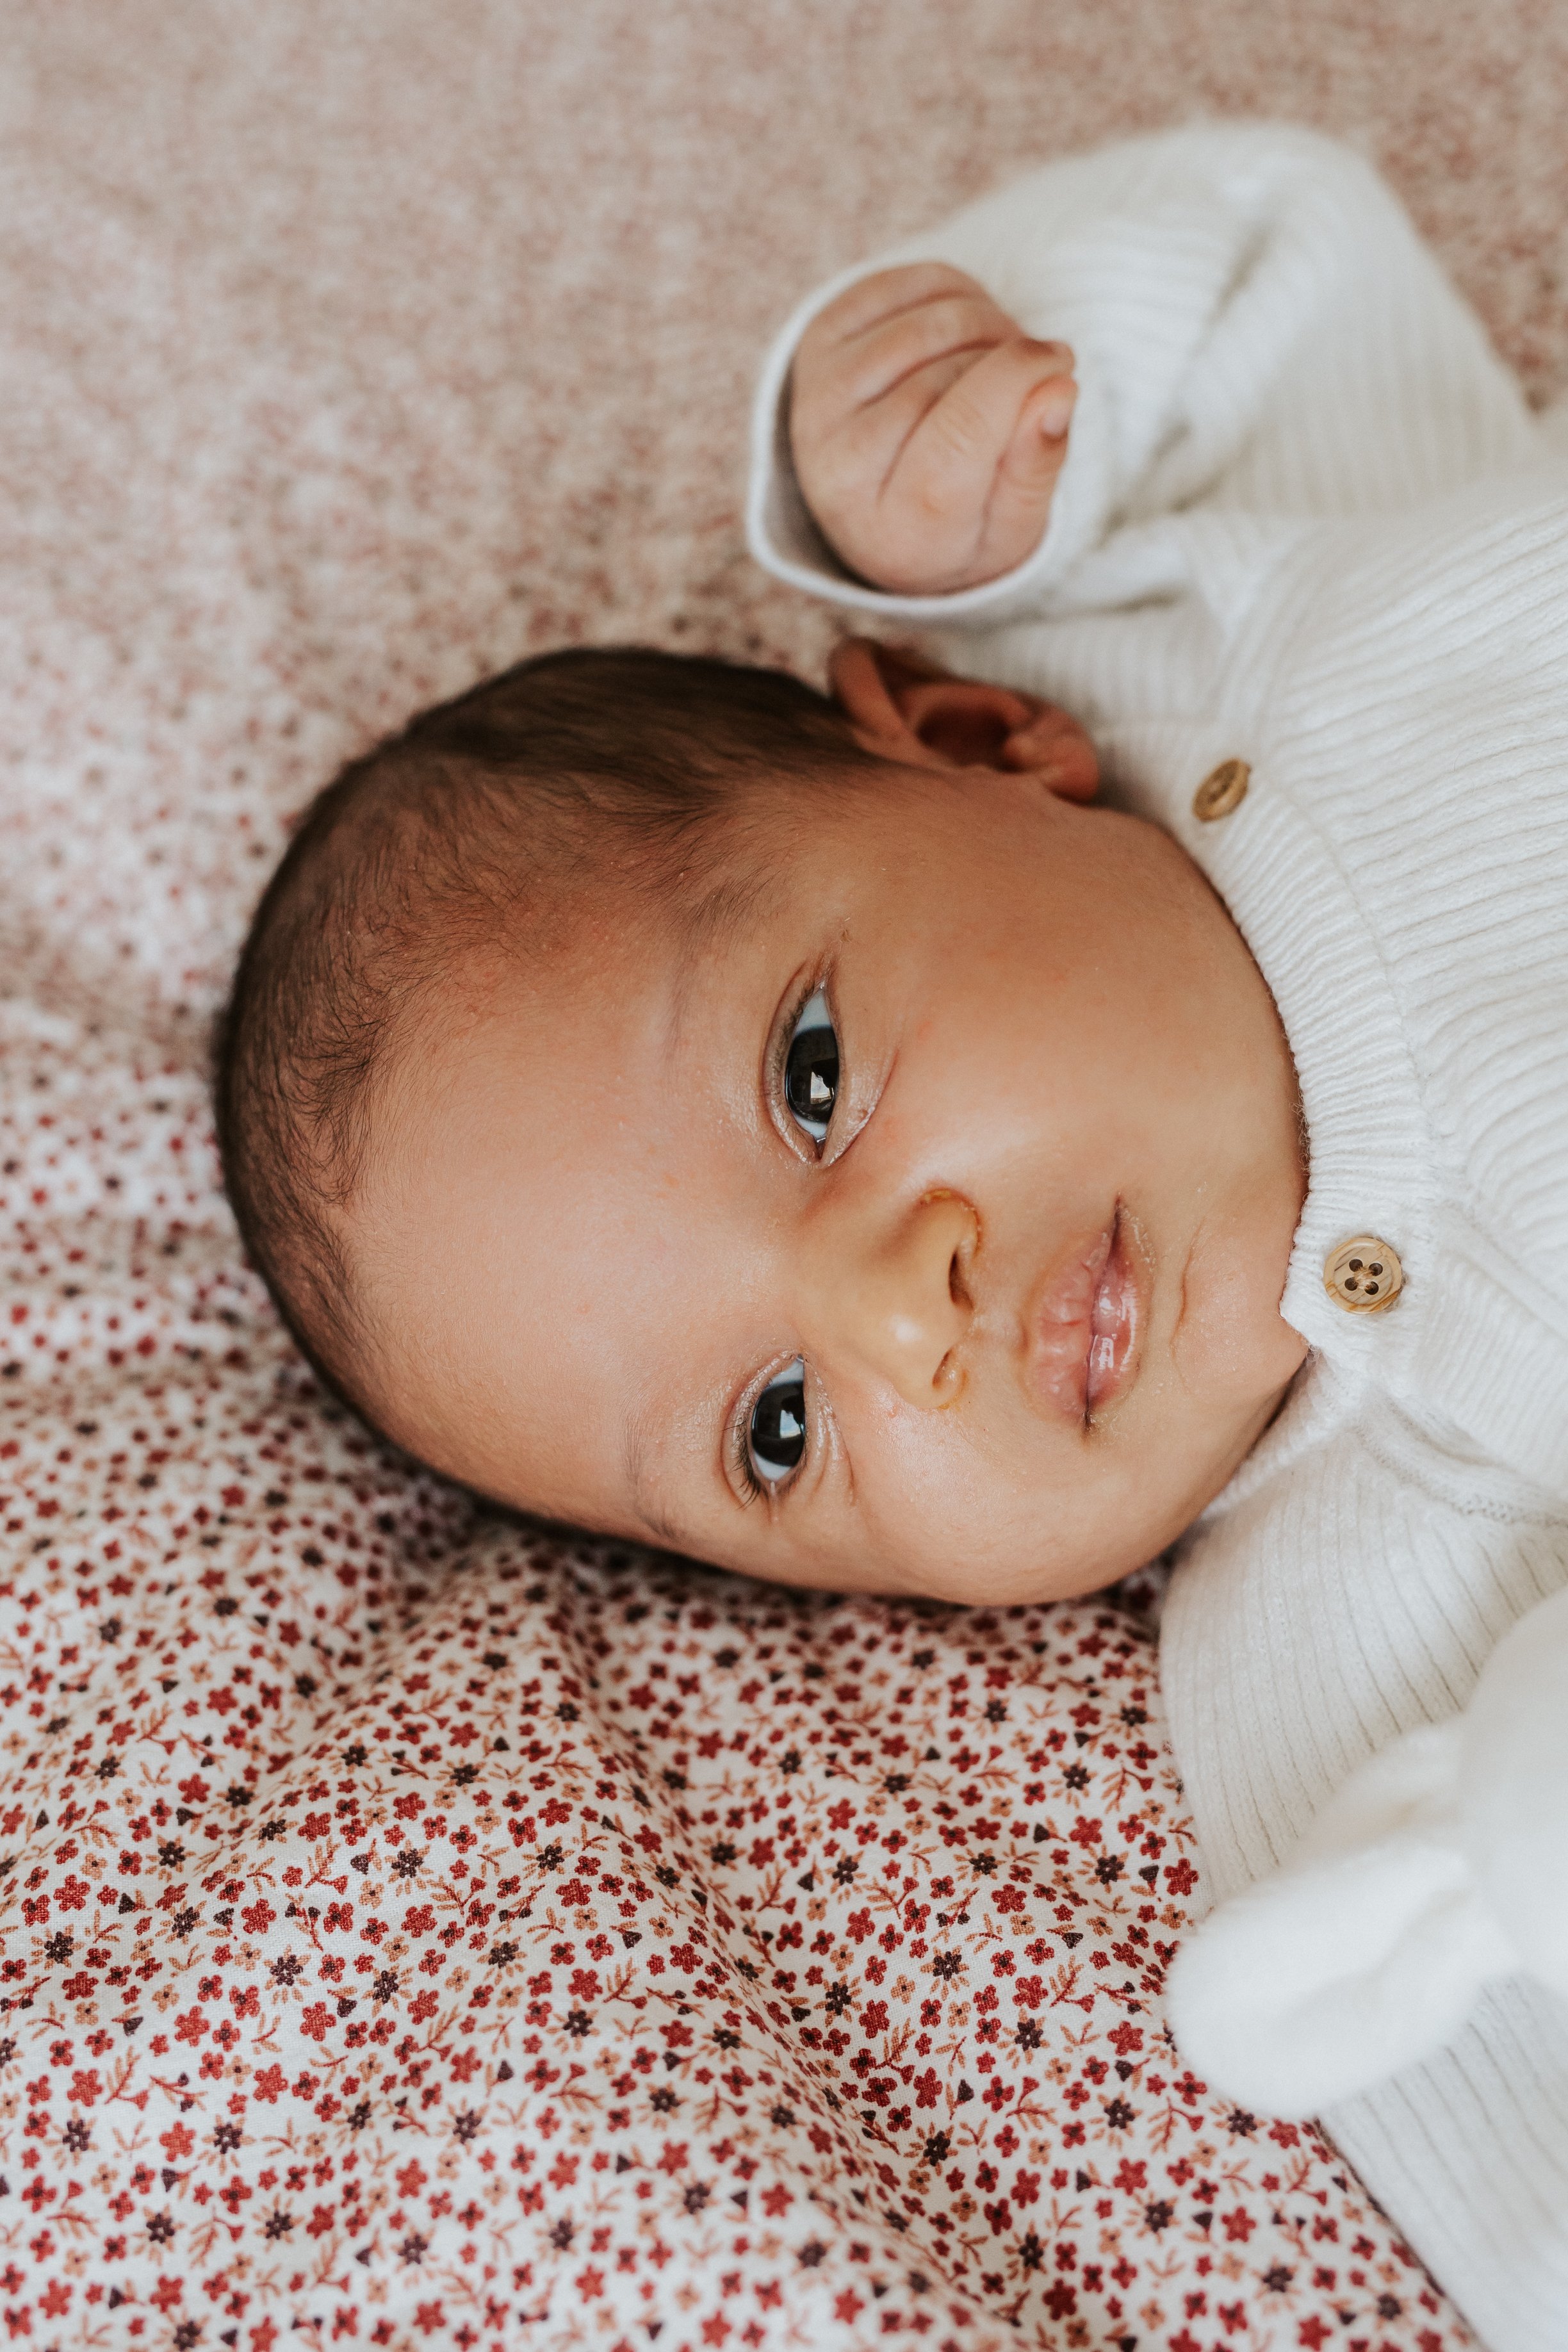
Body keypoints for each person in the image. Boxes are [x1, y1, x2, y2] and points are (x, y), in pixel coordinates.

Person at [218, 123, 1568, 2349]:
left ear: (966, 734)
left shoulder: (1208, 621)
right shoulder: (1329, 1672)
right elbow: (1495, 2070)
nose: (898, 1313)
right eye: (773, 1430)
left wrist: (958, 475)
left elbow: (1279, 264)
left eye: (814, 1080)